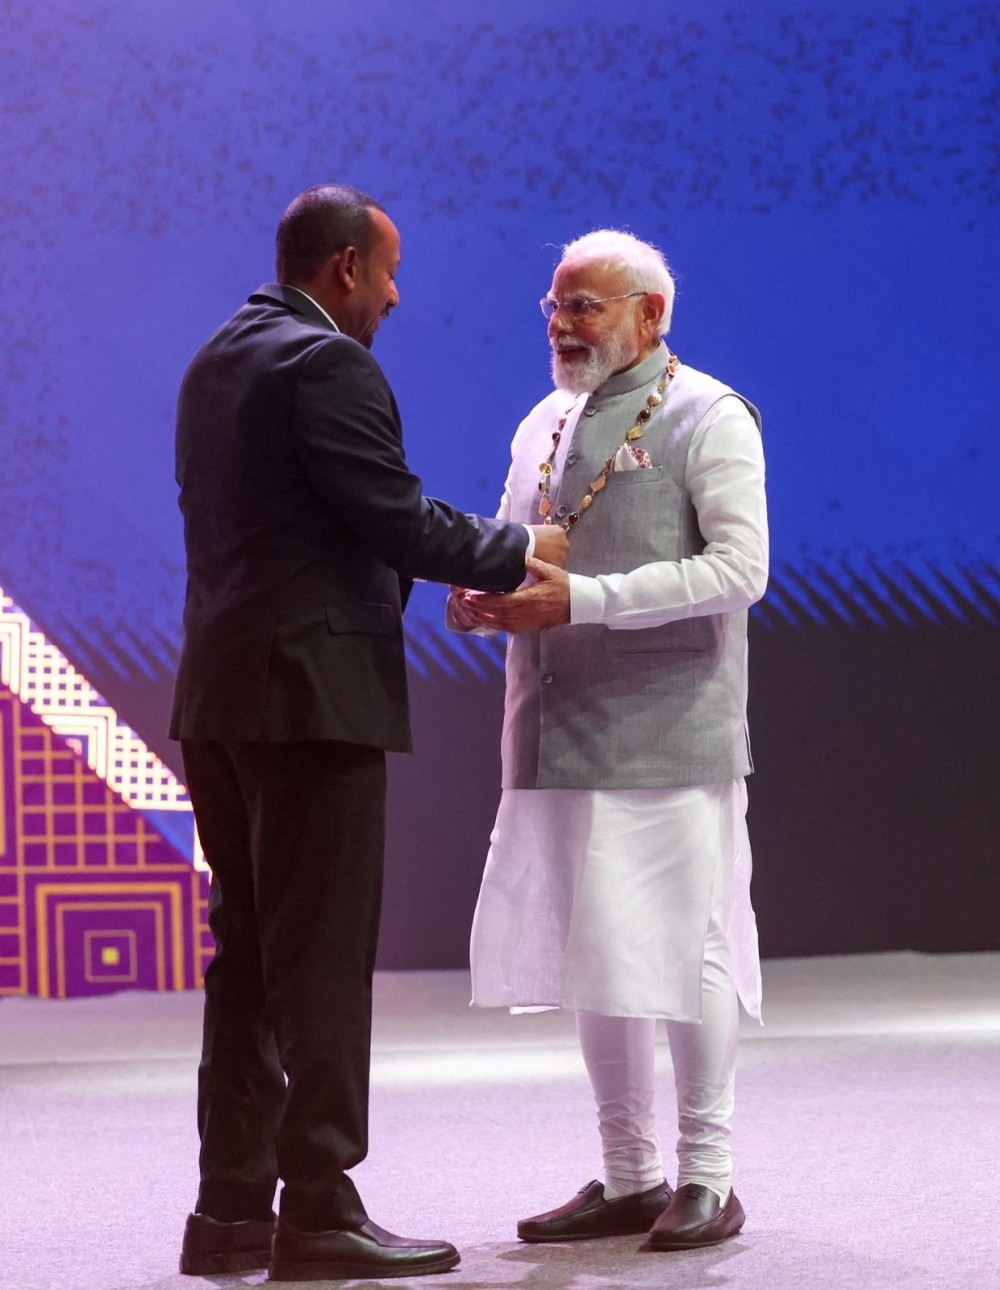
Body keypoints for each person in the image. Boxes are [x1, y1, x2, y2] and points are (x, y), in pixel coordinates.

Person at [170, 183, 568, 1282]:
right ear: (346, 265)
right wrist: (523, 548)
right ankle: (319, 1208)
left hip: (221, 700)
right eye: (389, 274)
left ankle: (231, 1208)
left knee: (251, 953)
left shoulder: (217, 357)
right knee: (322, 960)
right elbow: (392, 514)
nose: (394, 297)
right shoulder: (328, 363)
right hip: (310, 700)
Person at [449, 228, 767, 1252]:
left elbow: (741, 571)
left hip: (669, 727)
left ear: (650, 313)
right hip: (553, 726)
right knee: (598, 951)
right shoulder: (542, 421)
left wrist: (582, 600)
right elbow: (516, 551)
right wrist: (484, 599)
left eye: (584, 305)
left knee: (686, 945)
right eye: (555, 305)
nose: (562, 324)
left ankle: (708, 1176)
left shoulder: (708, 413)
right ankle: (631, 1177)